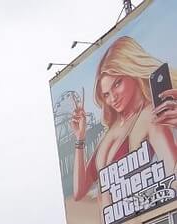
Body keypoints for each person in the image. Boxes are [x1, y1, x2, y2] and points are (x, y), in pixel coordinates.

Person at [70, 36, 177, 205]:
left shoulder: (149, 115)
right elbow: (78, 191)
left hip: (147, 220)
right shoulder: (109, 132)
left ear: (132, 72)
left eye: (117, 84)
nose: (113, 98)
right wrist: (80, 139)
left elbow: (174, 173)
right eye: (106, 94)